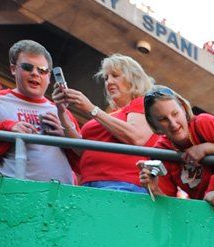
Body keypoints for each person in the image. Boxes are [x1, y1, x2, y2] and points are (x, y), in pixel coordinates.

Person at [0, 40, 77, 183]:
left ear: (48, 76)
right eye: (27, 67)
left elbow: (82, 163)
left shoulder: (61, 111)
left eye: (42, 70)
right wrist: (7, 129)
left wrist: (65, 135)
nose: (35, 73)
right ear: (13, 69)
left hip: (61, 196)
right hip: (13, 193)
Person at [54, 54, 158, 193]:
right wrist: (62, 112)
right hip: (89, 183)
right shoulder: (109, 115)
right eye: (106, 78)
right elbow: (82, 150)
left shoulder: (142, 103)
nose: (109, 82)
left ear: (134, 78)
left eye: (115, 75)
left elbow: (137, 137)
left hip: (123, 184)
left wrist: (92, 109)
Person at [141, 86, 214, 198]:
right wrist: (154, 190)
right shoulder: (160, 151)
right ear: (154, 124)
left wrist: (207, 148)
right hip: (203, 210)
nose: (173, 124)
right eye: (162, 119)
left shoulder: (204, 123)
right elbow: (170, 208)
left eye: (175, 114)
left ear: (183, 109)